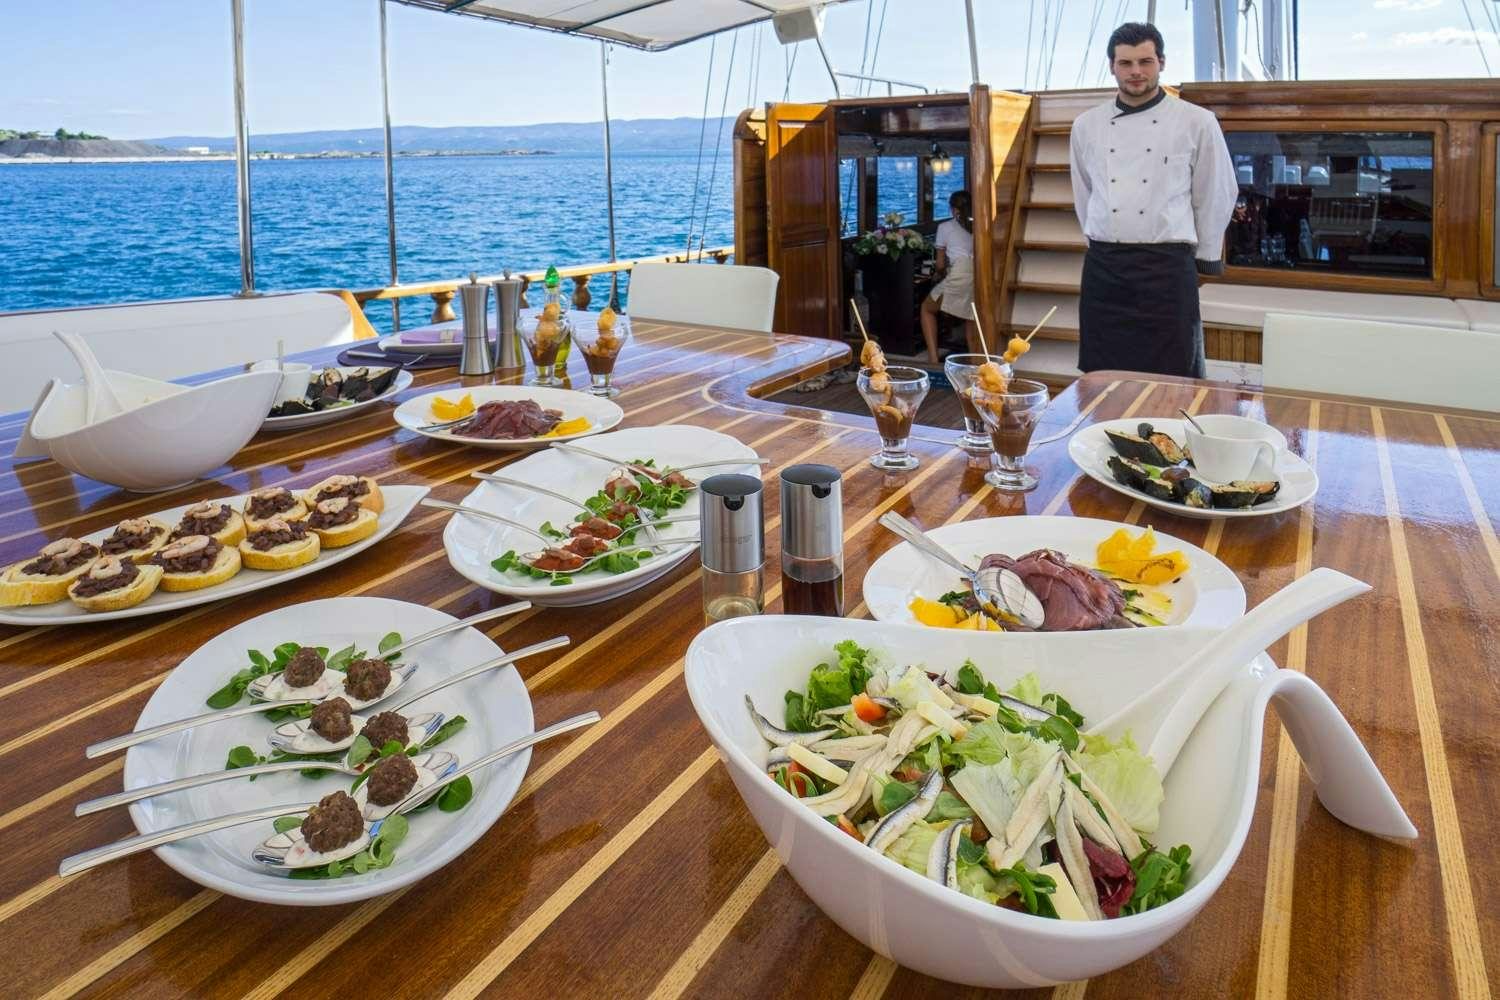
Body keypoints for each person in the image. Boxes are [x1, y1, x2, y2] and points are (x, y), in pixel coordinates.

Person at [1069, 22, 1238, 378]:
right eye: (1125, 63)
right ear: (1112, 66)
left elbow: (1216, 191)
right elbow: (1084, 191)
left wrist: (1206, 257)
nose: (1136, 72)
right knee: (1103, 375)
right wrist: (1097, 239)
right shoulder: (1086, 125)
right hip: (1106, 268)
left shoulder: (1197, 121)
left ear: (1161, 62)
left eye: (1145, 61)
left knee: (1174, 375)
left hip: (1167, 266)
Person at [919, 190, 976, 363]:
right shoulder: (981, 224)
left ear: (953, 209)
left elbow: (941, 264)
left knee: (926, 309)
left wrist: (938, 274)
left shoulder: (945, 228)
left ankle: (933, 359)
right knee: (970, 317)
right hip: (979, 273)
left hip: (959, 273)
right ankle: (976, 363)